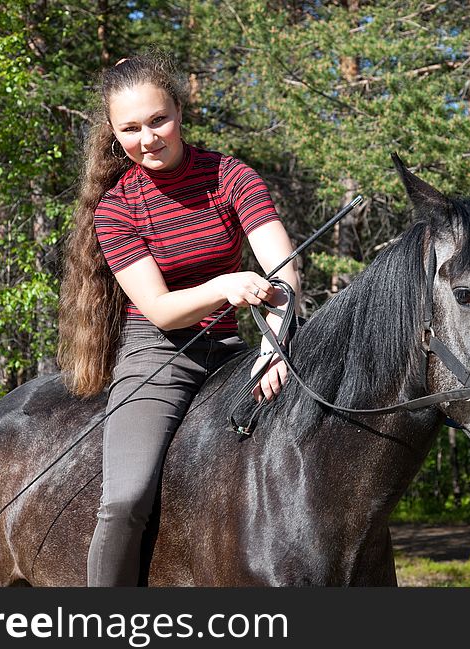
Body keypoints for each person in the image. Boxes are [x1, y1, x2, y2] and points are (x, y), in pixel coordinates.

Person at [56, 49, 301, 587]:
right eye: (131, 128)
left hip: (235, 349)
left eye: (158, 120)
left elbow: (283, 270)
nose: (148, 139)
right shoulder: (117, 208)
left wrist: (273, 349)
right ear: (113, 134)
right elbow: (163, 310)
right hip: (158, 352)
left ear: (179, 112)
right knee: (126, 499)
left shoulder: (230, 176)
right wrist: (224, 286)